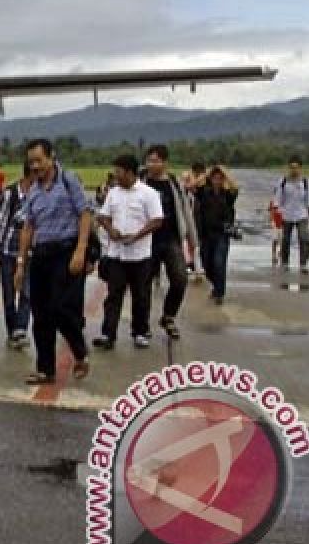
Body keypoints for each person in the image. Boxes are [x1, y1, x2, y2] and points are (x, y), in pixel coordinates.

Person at [13, 139, 91, 385]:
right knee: (41, 315)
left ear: (51, 157)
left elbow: (85, 214)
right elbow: (28, 227)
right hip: (41, 255)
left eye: (39, 160)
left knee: (60, 308)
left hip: (65, 252)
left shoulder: (69, 181)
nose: (35, 166)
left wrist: (81, 250)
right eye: (31, 162)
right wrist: (21, 264)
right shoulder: (33, 189)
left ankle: (80, 351)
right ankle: (46, 369)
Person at [94, 154, 163, 350]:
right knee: (113, 296)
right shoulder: (113, 193)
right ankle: (108, 334)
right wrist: (110, 230)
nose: (116, 175)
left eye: (119, 171)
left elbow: (157, 220)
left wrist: (138, 235)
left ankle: (140, 332)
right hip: (117, 254)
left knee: (140, 296)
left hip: (140, 255)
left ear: (130, 172)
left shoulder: (148, 193)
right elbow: (104, 216)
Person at [142, 145, 198, 340]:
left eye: (156, 160)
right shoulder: (141, 182)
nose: (151, 164)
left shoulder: (174, 184)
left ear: (165, 162)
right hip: (146, 241)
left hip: (171, 240)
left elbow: (185, 211)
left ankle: (168, 316)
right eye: (149, 160)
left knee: (180, 279)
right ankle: (142, 327)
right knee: (143, 286)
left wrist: (192, 239)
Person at [0, 163, 33, 349]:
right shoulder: (10, 194)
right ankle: (12, 330)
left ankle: (20, 329)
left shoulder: (39, 195)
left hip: (30, 253)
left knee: (28, 292)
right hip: (8, 251)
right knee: (9, 294)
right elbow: (0, 223)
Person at [195, 165, 239, 304]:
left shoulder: (228, 195)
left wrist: (224, 171)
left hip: (222, 234)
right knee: (207, 265)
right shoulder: (204, 193)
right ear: (211, 179)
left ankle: (219, 293)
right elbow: (192, 185)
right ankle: (216, 286)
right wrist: (207, 172)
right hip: (206, 234)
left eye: (220, 178)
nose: (217, 181)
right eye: (215, 178)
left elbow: (235, 186)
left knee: (219, 263)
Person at [274, 156, 309, 274]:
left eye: (296, 168)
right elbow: (278, 197)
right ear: (289, 168)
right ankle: (285, 263)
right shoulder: (283, 181)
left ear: (300, 168)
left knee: (303, 238)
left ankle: (303, 264)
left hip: (302, 214)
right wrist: (277, 210)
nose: (294, 170)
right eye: (291, 167)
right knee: (285, 240)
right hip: (287, 214)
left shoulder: (305, 182)